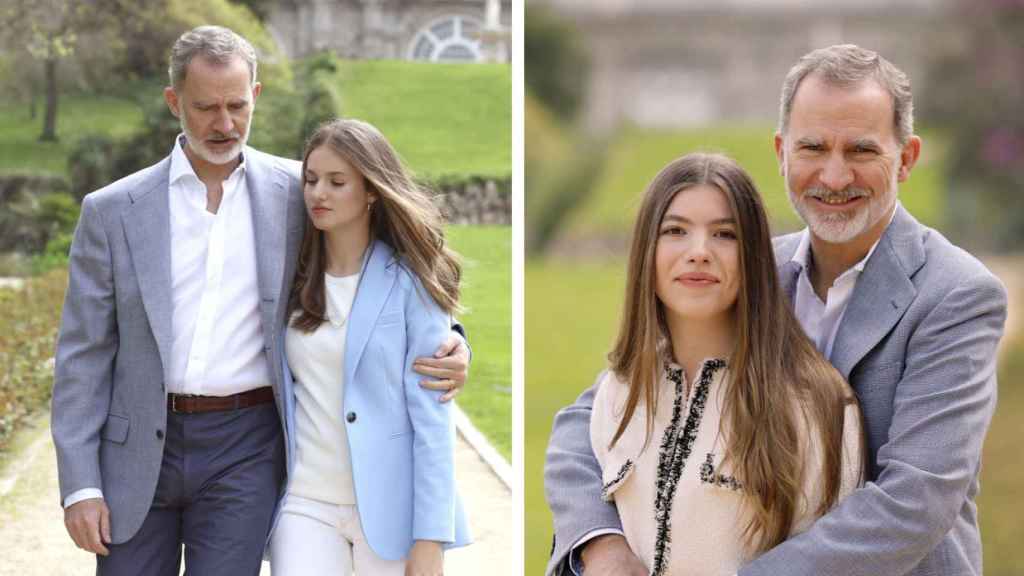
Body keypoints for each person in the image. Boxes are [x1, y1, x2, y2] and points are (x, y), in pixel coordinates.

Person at [545, 44, 1008, 576]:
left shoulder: (957, 294)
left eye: (860, 150)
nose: (834, 177)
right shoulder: (751, 264)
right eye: (812, 148)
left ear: (905, 158)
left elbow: (915, 501)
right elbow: (593, 412)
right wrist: (599, 542)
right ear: (782, 151)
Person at [51, 25, 469, 576]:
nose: (224, 124)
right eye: (205, 108)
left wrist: (453, 343)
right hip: (136, 453)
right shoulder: (112, 210)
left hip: (245, 446)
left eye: (236, 105)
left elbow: (392, 266)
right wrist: (80, 484)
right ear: (174, 102)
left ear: (257, 96)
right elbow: (82, 354)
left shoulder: (302, 193)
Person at [587, 152, 862, 575]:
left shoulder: (816, 403)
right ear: (647, 250)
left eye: (724, 235)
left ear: (752, 256)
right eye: (675, 231)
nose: (699, 252)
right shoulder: (619, 390)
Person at [268, 118, 471, 575]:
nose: (319, 193)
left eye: (337, 182)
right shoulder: (288, 277)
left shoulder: (410, 283)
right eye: (312, 179)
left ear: (372, 192)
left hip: (390, 511)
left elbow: (433, 420)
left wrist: (430, 539)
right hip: (304, 501)